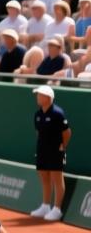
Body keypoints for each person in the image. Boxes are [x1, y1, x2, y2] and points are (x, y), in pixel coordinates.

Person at [29, 86, 71, 222]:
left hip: (55, 151)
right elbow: (38, 133)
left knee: (56, 178)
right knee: (44, 177)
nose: (37, 97)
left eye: (40, 95)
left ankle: (57, 209)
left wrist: (62, 146)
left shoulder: (58, 113)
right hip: (42, 150)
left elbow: (67, 133)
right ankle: (45, 206)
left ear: (48, 98)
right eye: (37, 95)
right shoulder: (37, 114)